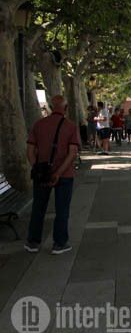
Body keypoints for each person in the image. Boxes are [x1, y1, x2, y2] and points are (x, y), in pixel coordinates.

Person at [25, 95, 81, 255]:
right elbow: (72, 153)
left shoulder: (39, 124)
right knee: (62, 209)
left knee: (38, 207)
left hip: (42, 174)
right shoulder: (70, 126)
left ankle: (33, 242)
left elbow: (30, 150)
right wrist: (58, 173)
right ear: (66, 108)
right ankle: (59, 243)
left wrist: (37, 168)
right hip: (65, 174)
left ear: (50, 107)